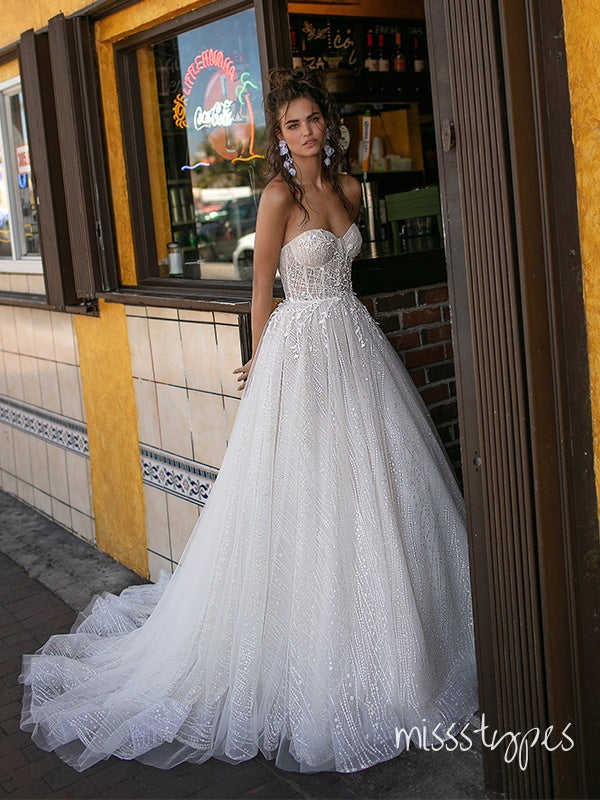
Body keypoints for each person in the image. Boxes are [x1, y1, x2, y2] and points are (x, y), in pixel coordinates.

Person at [19, 68, 478, 775]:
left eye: (313, 121)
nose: (306, 134)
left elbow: (344, 278)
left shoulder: (352, 190)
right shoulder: (276, 197)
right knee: (306, 491)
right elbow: (261, 290)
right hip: (300, 356)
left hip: (354, 346)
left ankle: (400, 648)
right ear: (280, 136)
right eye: (292, 125)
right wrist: (263, 363)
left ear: (329, 125)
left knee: (375, 489)